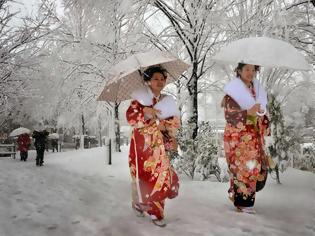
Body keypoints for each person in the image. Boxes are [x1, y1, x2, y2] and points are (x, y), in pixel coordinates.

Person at [126, 66, 180, 227]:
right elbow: (131, 118)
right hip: (142, 145)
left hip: (159, 146)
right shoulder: (139, 100)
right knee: (142, 176)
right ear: (147, 80)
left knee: (160, 176)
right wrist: (145, 113)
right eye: (155, 78)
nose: (160, 81)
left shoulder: (166, 100)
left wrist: (166, 127)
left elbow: (174, 122)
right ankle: (139, 203)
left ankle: (156, 212)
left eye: (162, 78)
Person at [222, 63, 270, 214]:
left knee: (254, 168)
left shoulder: (258, 91)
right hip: (239, 137)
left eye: (253, 69)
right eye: (246, 69)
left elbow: (262, 116)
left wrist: (262, 116)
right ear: (239, 71)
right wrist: (248, 112)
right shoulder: (233, 91)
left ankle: (241, 199)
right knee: (243, 168)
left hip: (253, 136)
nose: (250, 72)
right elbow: (230, 115)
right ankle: (243, 203)